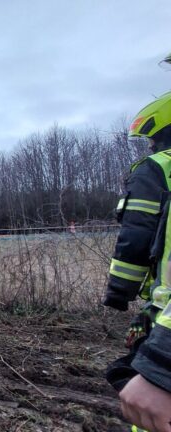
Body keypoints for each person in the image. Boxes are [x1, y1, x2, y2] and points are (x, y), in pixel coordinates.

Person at [102, 90, 171, 432]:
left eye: (152, 142)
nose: (150, 149)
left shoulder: (157, 168)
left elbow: (136, 238)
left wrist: (119, 290)